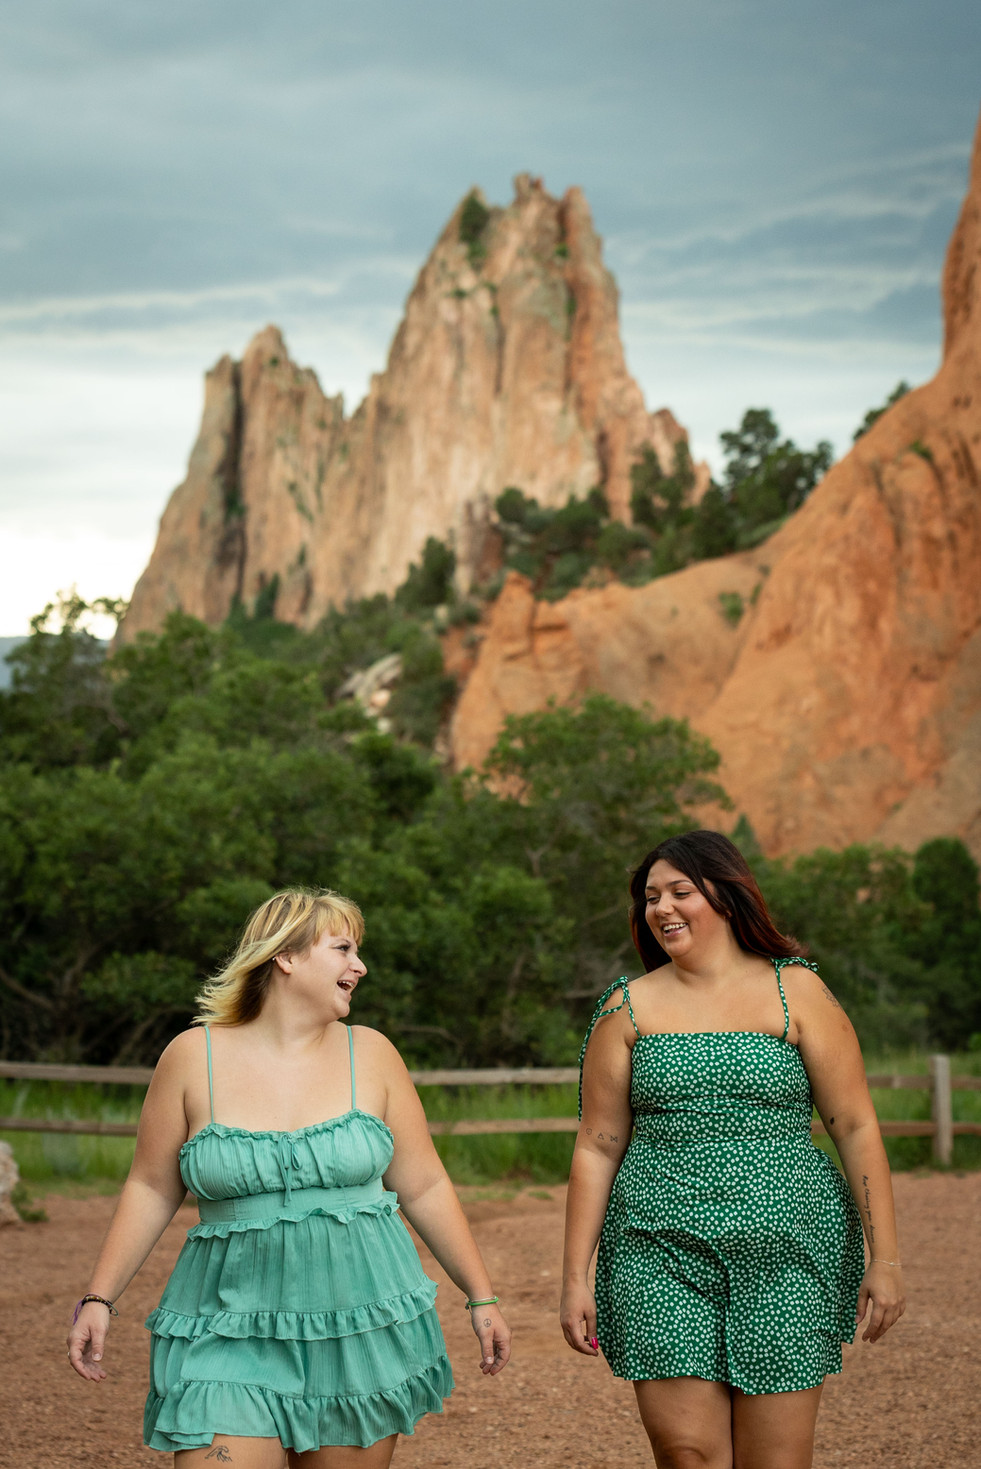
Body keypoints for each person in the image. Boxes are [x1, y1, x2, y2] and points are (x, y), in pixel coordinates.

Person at [68, 888, 510, 1466]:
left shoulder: (372, 1054)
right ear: (287, 956)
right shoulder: (190, 1055)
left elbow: (424, 1184)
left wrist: (482, 1296)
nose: (361, 966)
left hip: (356, 1328)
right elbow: (150, 1187)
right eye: (344, 948)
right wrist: (99, 1297)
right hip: (227, 1326)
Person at [560, 830, 905, 1469]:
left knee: (774, 1460)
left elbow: (854, 1125)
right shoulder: (626, 1009)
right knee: (688, 1452)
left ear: (725, 893)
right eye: (649, 897)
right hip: (655, 1254)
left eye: (679, 892)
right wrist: (574, 1277)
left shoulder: (795, 992)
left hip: (791, 1256)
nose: (660, 908)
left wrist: (885, 1257)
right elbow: (597, 1147)